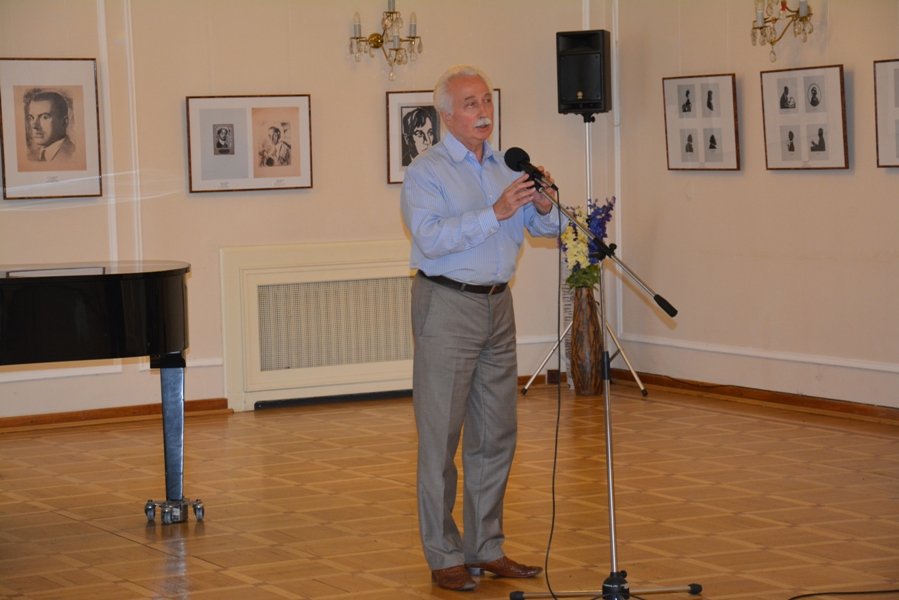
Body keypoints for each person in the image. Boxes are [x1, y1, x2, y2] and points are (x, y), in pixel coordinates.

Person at [400, 64, 565, 592]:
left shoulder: (507, 167)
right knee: (441, 437)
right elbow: (430, 238)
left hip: (498, 305)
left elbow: (547, 227)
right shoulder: (426, 172)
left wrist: (545, 203)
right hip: (447, 304)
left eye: (487, 100)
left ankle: (485, 547)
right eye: (470, 103)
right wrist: (494, 212)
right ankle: (444, 554)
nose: (483, 111)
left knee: (496, 434)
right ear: (446, 115)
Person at [23, 89, 76, 163]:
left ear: (64, 122)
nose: (34, 126)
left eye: (45, 117)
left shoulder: (73, 155)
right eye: (31, 118)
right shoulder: (31, 156)